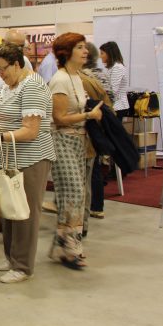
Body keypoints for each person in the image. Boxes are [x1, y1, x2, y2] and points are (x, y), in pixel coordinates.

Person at [0, 43, 56, 283]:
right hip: (10, 157)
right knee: (9, 210)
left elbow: (30, 131)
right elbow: (5, 121)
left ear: (17, 64)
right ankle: (11, 257)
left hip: (32, 159)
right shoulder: (10, 86)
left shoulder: (33, 86)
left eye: (2, 69)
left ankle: (23, 266)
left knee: (25, 212)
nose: (0, 75)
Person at [48, 33, 103, 270]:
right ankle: (68, 248)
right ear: (66, 52)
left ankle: (67, 248)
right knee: (74, 194)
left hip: (79, 141)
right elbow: (58, 118)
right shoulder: (60, 80)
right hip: (63, 141)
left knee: (76, 196)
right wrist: (89, 115)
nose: (85, 51)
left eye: (84, 47)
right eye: (79, 47)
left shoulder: (77, 77)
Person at [81, 43, 112, 224]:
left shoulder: (84, 78)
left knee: (91, 170)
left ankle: (94, 207)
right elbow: (110, 97)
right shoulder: (101, 74)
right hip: (100, 122)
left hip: (90, 125)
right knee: (95, 167)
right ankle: (97, 207)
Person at [0, 30, 33, 104]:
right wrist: (6, 99)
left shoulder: (25, 61)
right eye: (13, 46)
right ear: (3, 42)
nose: (17, 50)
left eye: (21, 47)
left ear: (17, 65)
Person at [99, 41, 128, 117]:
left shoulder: (117, 67)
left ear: (109, 54)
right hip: (114, 106)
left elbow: (113, 90)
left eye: (102, 53)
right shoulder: (112, 67)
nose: (100, 56)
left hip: (118, 107)